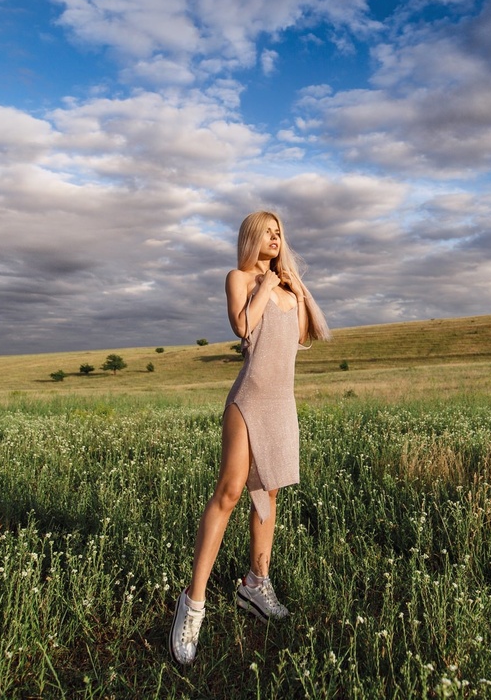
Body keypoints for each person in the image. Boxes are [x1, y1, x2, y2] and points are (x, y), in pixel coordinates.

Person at [169, 210, 331, 666]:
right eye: (269, 232)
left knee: (270, 491)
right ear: (252, 237)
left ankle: (255, 585)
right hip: (249, 398)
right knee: (231, 491)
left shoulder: (287, 286)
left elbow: (301, 339)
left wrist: (294, 289)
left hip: (283, 401)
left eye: (280, 233)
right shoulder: (238, 278)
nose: (277, 238)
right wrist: (265, 285)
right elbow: (243, 327)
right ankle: (193, 603)